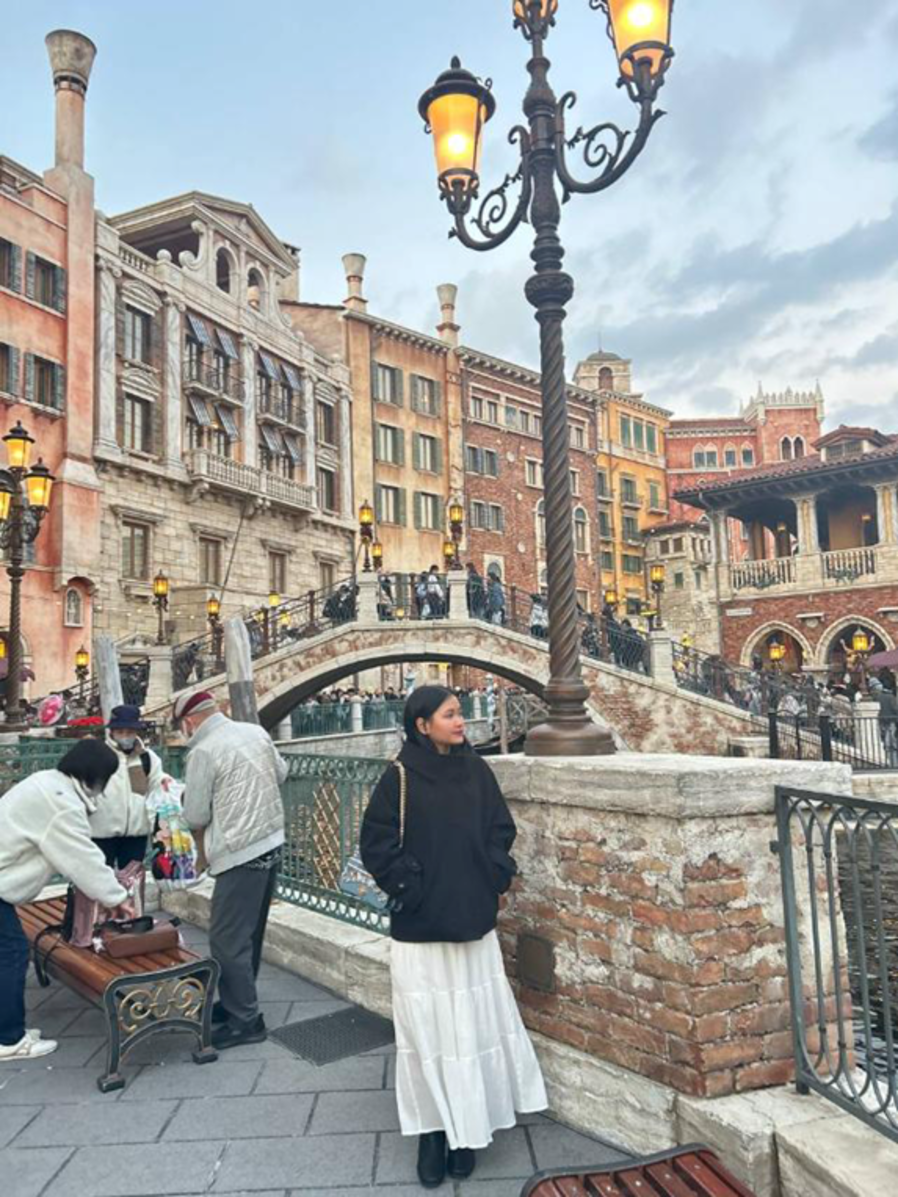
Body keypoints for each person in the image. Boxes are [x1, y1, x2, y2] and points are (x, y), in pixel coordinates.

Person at [360, 686, 547, 1189]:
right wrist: (414, 887)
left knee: (470, 1025)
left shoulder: (477, 771)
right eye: (449, 715)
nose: (461, 721)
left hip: (471, 917)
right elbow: (376, 845)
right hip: (421, 925)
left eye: (460, 713)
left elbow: (500, 829)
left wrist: (492, 875)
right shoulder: (398, 776)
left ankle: (468, 1127)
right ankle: (433, 1130)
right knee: (428, 1031)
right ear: (422, 725)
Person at [0, 739, 129, 1060]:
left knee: (9, 952)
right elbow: (82, 858)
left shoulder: (46, 782)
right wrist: (118, 897)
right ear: (97, 777)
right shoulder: (62, 804)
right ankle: (9, 1039)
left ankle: (7, 1030)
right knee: (12, 954)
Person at [174, 690, 288, 1051]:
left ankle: (246, 1021)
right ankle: (238, 1002)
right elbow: (282, 773)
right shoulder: (255, 732)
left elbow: (196, 815)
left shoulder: (203, 751)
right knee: (249, 933)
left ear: (188, 722)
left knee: (226, 939)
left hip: (239, 852)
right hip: (271, 841)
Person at [88, 704, 163, 868]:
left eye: (129, 732)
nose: (125, 736)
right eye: (120, 732)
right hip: (101, 834)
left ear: (136, 732)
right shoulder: (97, 757)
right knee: (98, 880)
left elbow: (157, 789)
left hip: (136, 835)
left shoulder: (147, 759)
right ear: (112, 732)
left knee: (133, 880)